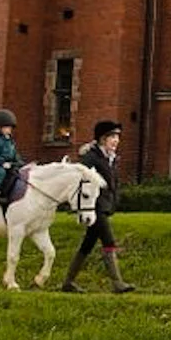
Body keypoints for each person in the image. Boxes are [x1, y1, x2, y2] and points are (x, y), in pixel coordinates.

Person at [61, 119, 135, 294]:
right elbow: (81, 178)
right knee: (108, 241)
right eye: (112, 137)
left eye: (117, 137)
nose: (116, 141)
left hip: (105, 206)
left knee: (88, 244)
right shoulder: (92, 157)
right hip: (94, 207)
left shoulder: (111, 158)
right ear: (102, 139)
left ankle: (68, 282)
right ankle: (118, 283)